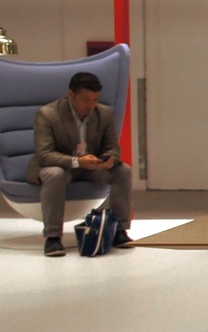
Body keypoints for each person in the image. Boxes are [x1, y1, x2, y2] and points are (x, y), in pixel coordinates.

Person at [26, 71, 134, 256]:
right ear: (71, 94)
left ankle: (119, 231)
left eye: (95, 100)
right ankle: (52, 238)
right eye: (85, 100)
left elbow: (112, 147)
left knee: (123, 171)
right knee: (55, 175)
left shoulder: (104, 113)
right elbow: (44, 155)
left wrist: (109, 158)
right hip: (59, 165)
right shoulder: (48, 114)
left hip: (90, 165)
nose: (91, 105)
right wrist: (77, 161)